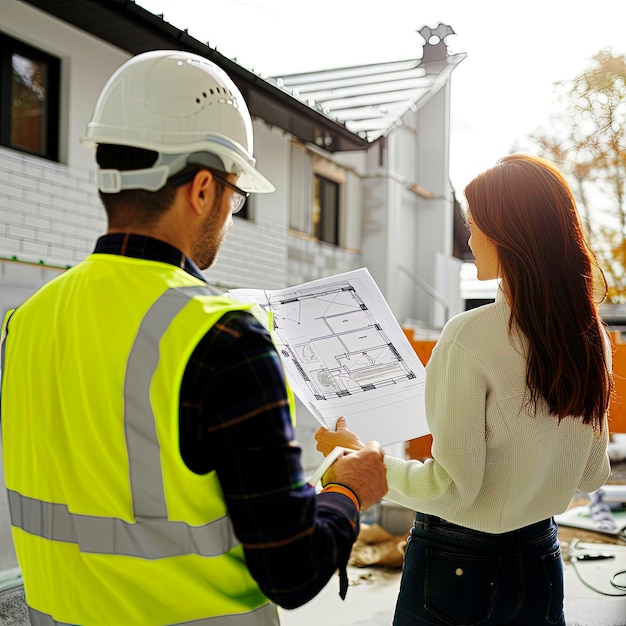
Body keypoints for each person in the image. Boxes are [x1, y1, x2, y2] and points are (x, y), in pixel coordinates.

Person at [0, 50, 388, 626]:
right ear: (203, 189)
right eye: (237, 193)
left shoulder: (25, 321)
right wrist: (347, 490)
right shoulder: (224, 337)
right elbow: (294, 569)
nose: (232, 211)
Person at [316, 154, 613, 625]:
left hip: (459, 567)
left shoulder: (469, 336)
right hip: (541, 559)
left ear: (509, 235)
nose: (469, 240)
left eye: (475, 226)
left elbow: (452, 489)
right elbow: (590, 475)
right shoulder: (591, 337)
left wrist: (360, 462)